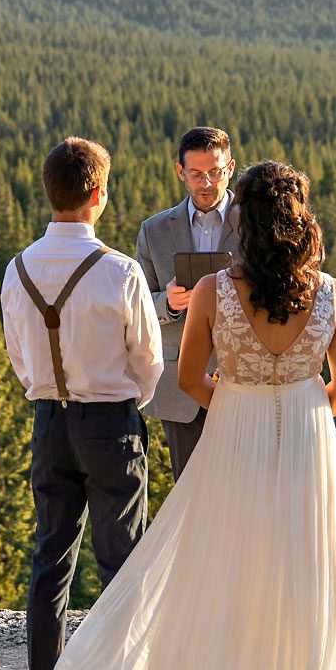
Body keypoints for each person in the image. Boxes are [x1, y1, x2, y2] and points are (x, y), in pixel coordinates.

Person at [32, 160, 336, 670]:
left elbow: (187, 382)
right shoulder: (335, 295)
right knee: (300, 570)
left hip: (231, 436)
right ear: (302, 223)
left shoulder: (213, 292)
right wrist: (298, 409)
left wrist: (241, 402)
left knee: (224, 568)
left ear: (243, 220)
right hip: (307, 441)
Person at [1, 137, 164, 670]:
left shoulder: (17, 270)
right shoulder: (120, 271)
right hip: (109, 425)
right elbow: (148, 361)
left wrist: (53, 393)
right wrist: (125, 406)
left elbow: (20, 358)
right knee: (121, 562)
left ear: (52, 193)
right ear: (98, 195)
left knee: (51, 559)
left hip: (49, 423)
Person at [135, 127, 240, 482]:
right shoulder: (153, 231)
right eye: (196, 174)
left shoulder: (257, 224)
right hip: (181, 389)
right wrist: (169, 302)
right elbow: (137, 306)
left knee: (245, 493)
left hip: (245, 381)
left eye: (215, 172)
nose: (206, 182)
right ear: (180, 172)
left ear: (230, 168)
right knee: (190, 495)